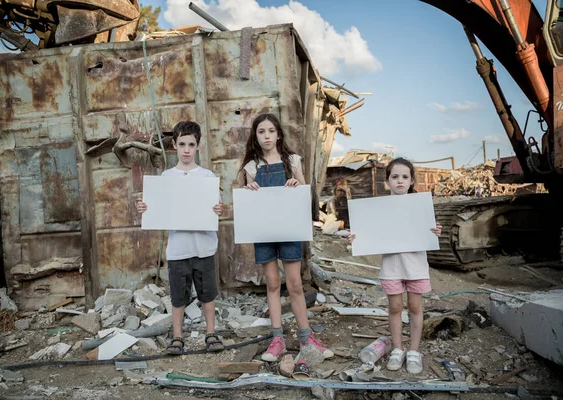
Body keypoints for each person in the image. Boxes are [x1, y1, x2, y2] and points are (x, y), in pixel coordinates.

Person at [239, 113, 333, 362]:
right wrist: (249, 190)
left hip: (290, 230)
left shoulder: (292, 160)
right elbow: (250, 204)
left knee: (294, 284)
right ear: (255, 136)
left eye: (271, 130)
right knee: (271, 283)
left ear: (278, 134)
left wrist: (295, 183)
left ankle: (306, 337)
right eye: (261, 131)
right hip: (265, 231)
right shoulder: (252, 166)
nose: (267, 135)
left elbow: (304, 195)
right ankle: (277, 339)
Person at [137, 121, 224, 355]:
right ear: (174, 145)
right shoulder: (166, 177)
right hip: (178, 249)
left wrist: (218, 210)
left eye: (191, 144)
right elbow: (158, 209)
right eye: (182, 144)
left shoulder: (207, 177)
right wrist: (147, 207)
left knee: (207, 295)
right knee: (178, 297)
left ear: (198, 147)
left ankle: (211, 333)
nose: (186, 149)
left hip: (204, 247)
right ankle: (177, 337)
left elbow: (216, 206)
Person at [348, 157, 441, 374]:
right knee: (395, 308)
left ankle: (414, 351)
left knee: (416, 308)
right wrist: (356, 239)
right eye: (395, 176)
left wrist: (435, 230)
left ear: (411, 180)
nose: (400, 181)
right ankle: (398, 349)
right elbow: (368, 233)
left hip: (416, 266)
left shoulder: (420, 207)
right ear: (387, 180)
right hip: (392, 268)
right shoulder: (378, 209)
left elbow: (428, 231)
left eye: (405, 177)